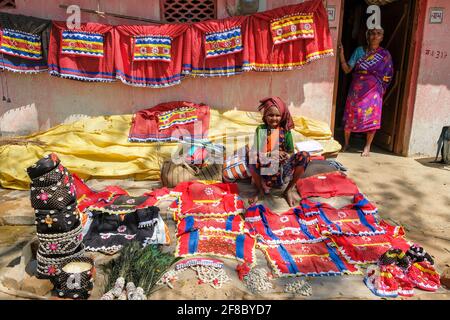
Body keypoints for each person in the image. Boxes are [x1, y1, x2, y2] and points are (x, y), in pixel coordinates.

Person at [339, 26, 394, 157]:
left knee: (372, 117)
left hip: (374, 91)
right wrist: (341, 54)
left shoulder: (385, 55)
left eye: (378, 34)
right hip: (357, 90)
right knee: (351, 115)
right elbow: (347, 70)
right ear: (367, 36)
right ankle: (346, 143)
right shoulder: (359, 51)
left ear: (382, 37)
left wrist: (381, 88)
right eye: (372, 33)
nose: (375, 36)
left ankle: (367, 147)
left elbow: (388, 74)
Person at [248, 97, 310, 207]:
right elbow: (258, 152)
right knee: (252, 156)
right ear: (265, 116)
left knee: (305, 155)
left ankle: (288, 190)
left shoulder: (285, 131)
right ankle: (261, 191)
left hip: (283, 169)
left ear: (282, 116)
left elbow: (291, 152)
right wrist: (272, 154)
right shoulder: (261, 129)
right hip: (266, 168)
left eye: (277, 115)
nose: (274, 118)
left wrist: (286, 155)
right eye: (270, 115)